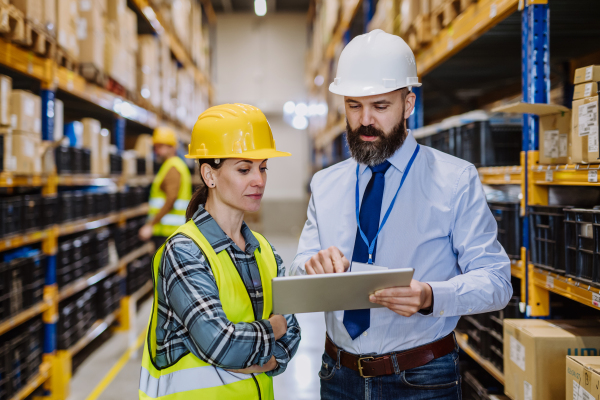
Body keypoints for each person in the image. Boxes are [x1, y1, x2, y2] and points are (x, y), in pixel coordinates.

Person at [290, 29, 512, 399]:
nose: (364, 121)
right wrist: (312, 267)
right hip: (338, 375)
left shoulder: (454, 180)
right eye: (353, 106)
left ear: (408, 104)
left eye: (380, 107)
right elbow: (298, 268)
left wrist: (430, 296)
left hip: (421, 378)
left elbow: (497, 281)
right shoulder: (326, 184)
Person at [139, 104, 301, 400]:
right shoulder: (185, 251)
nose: (260, 180)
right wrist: (273, 328)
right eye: (244, 169)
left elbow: (293, 332)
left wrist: (269, 357)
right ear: (209, 175)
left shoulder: (265, 251)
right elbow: (221, 343)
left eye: (263, 167)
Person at [138, 126, 193, 250]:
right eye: (156, 147)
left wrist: (150, 225)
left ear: (171, 147)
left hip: (168, 232)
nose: (157, 151)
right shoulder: (172, 165)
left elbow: (171, 199)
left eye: (160, 146)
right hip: (170, 232)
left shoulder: (173, 167)